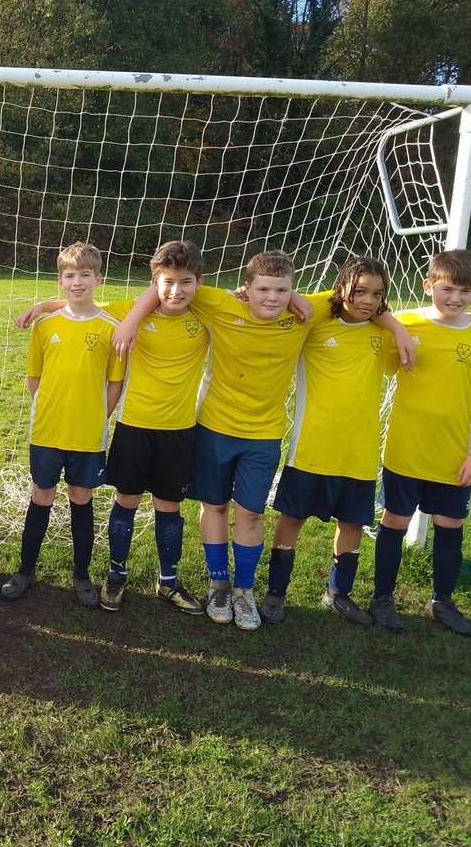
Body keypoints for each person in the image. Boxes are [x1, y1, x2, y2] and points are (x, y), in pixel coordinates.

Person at [113, 250, 323, 630]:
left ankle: (244, 591)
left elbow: (354, 301)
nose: (272, 297)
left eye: (282, 290)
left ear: (293, 289)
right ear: (246, 288)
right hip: (213, 427)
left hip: (264, 434)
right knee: (216, 506)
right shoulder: (220, 304)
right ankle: (219, 585)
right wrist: (129, 320)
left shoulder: (305, 312)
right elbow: (164, 287)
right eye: (263, 289)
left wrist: (395, 326)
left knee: (252, 513)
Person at [16, 240, 212, 614]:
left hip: (175, 429)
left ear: (198, 283)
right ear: (154, 284)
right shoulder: (118, 313)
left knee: (166, 505)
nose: (176, 290)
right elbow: (80, 308)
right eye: (167, 283)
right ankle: (110, 573)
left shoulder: (205, 313)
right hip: (128, 426)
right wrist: (42, 306)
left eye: (186, 282)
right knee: (122, 499)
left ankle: (166, 580)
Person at [370, 249, 471, 636]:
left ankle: (442, 600)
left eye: (465, 291)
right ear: (428, 285)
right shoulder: (407, 323)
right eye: (447, 289)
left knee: (450, 524)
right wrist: (394, 325)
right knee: (394, 520)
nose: (455, 298)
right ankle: (382, 598)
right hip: (405, 450)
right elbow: (369, 312)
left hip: (454, 455)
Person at [260, 257, 400, 626]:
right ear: (340, 290)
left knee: (352, 523)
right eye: (359, 291)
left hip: (359, 450)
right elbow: (295, 301)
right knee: (293, 517)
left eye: (377, 295)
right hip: (312, 446)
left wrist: (397, 328)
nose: (368, 300)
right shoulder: (314, 324)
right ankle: (276, 592)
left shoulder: (383, 334)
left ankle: (338, 593)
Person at [1, 242, 125, 607]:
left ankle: (82, 575)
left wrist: (96, 414)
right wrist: (52, 406)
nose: (77, 282)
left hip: (87, 433)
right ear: (60, 281)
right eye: (70, 276)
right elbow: (34, 378)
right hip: (47, 430)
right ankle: (25, 570)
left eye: (85, 275)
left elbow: (115, 383)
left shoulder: (111, 327)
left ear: (98, 279)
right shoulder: (45, 325)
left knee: (81, 497)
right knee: (41, 494)